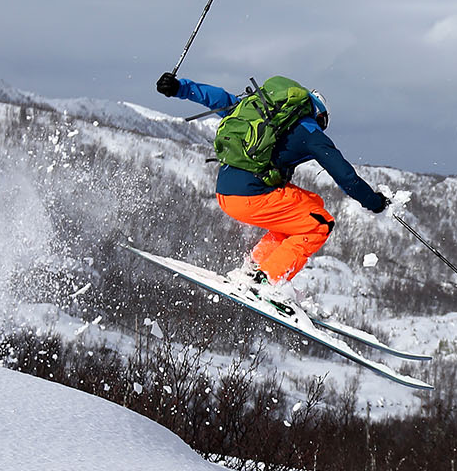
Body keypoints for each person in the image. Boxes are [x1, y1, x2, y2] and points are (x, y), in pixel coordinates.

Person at [156, 70, 399, 300]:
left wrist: (179, 88)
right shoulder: (310, 131)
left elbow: (218, 99)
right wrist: (375, 203)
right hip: (250, 196)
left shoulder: (259, 111)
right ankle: (266, 282)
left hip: (225, 193)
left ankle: (254, 269)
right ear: (320, 115)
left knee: (311, 206)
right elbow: (346, 177)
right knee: (319, 224)